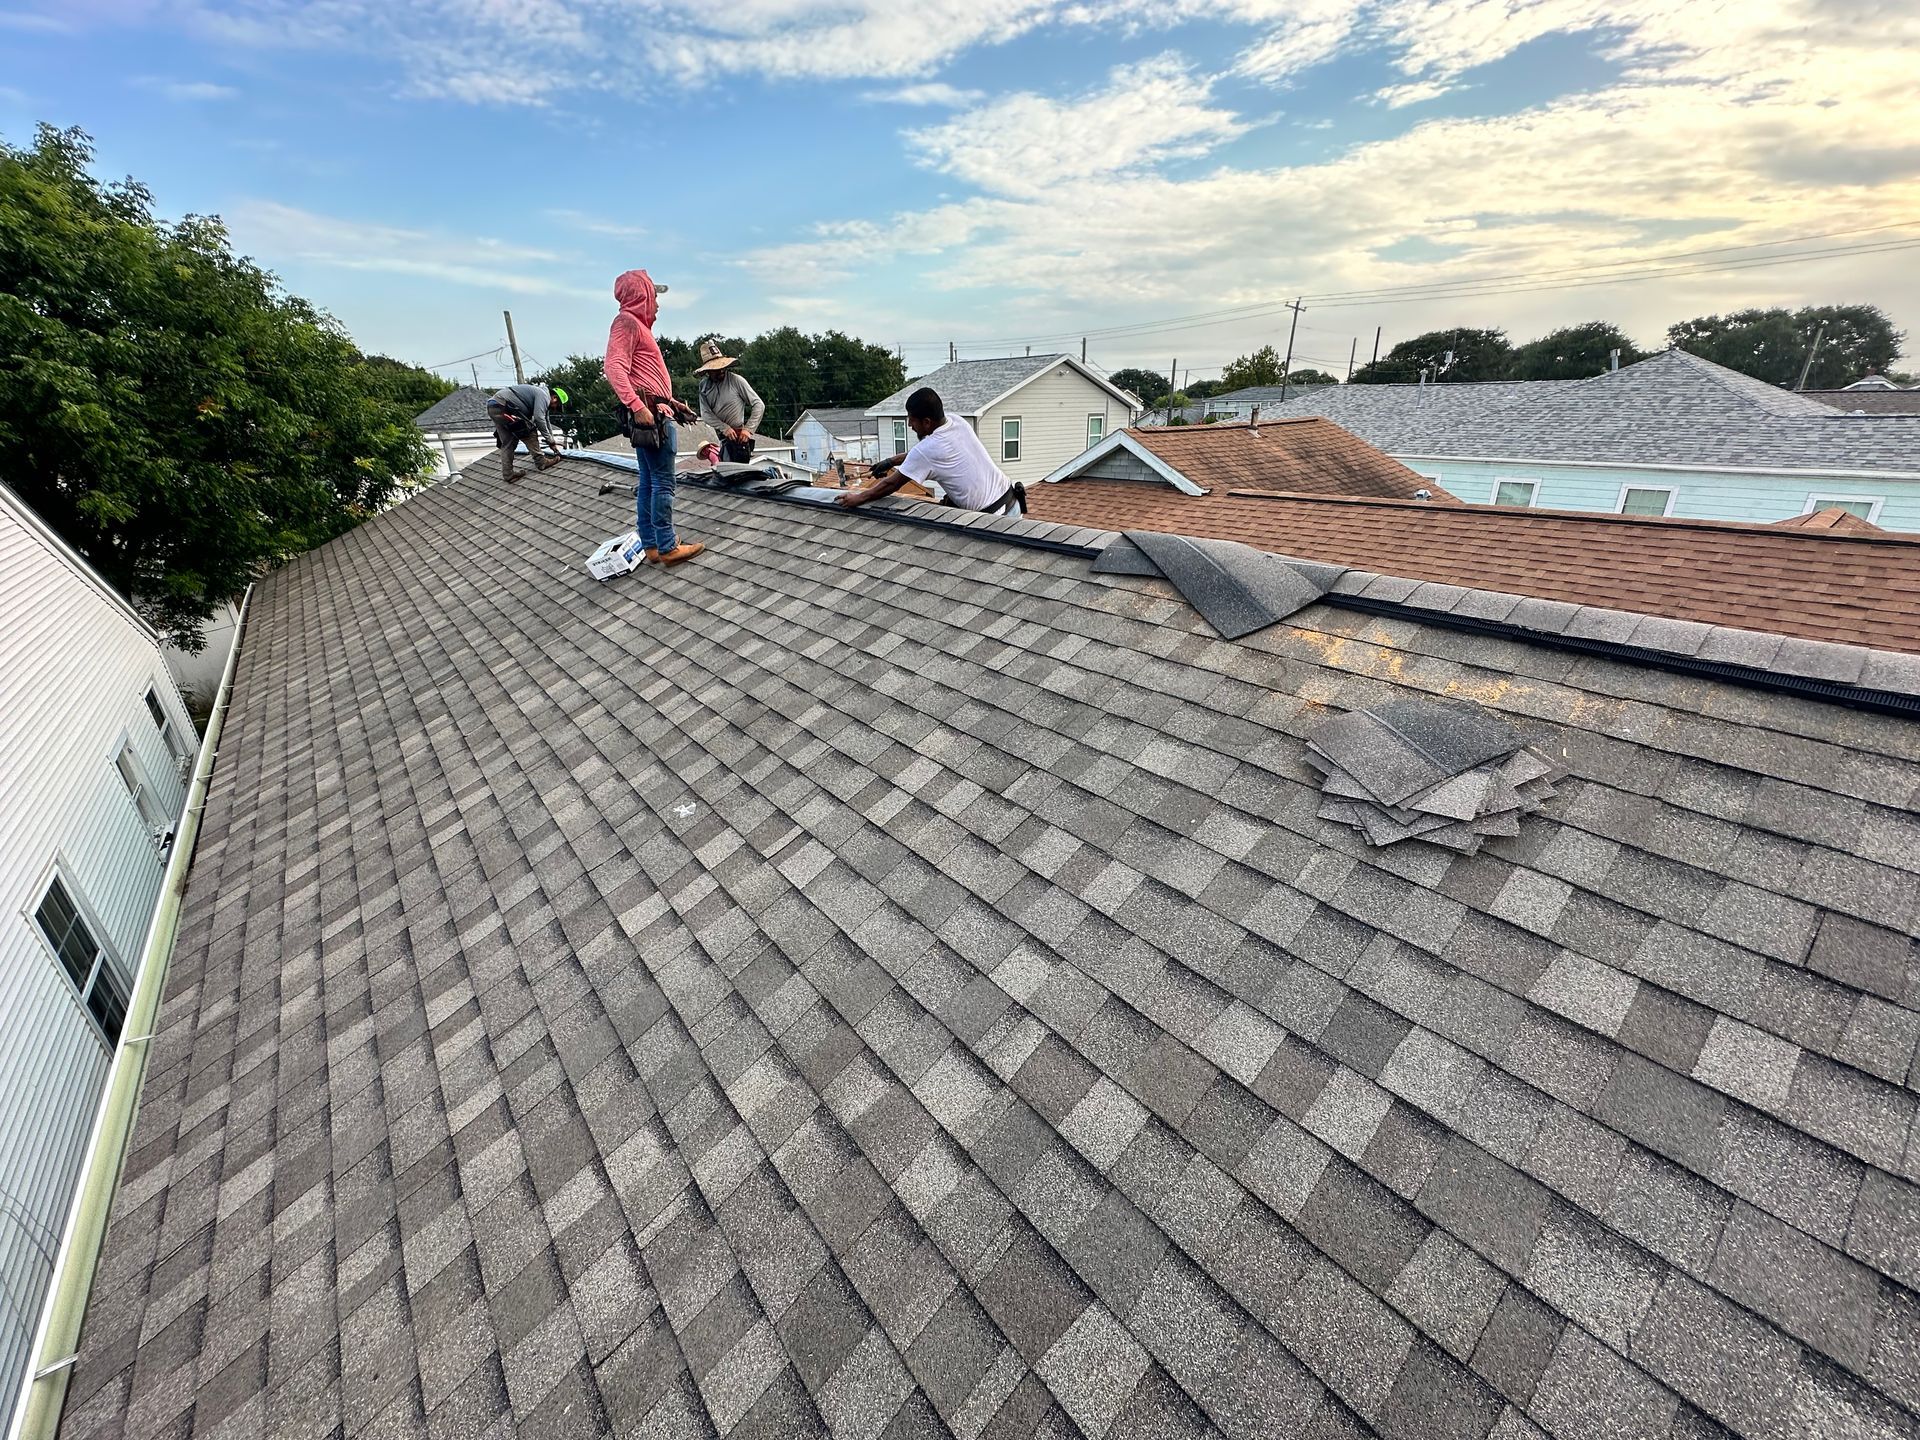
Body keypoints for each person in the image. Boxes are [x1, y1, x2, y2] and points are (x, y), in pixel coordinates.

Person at [604, 269, 701, 566]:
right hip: (652, 418)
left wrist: (675, 403)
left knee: (648, 481)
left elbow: (646, 381)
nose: (657, 304)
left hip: (656, 411)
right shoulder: (627, 323)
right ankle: (669, 545)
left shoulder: (636, 326)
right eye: (654, 296)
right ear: (642, 295)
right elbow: (614, 367)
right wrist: (637, 406)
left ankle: (653, 545)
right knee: (663, 483)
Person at [836, 387, 1025, 516]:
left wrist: (857, 498)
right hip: (1012, 502)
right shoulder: (956, 421)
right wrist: (891, 461)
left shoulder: (927, 450)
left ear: (927, 422)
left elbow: (891, 484)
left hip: (995, 520)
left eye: (912, 420)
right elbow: (927, 455)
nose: (909, 425)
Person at [694, 339, 765, 463]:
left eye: (722, 367)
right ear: (708, 371)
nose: (721, 370)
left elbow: (759, 404)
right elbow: (706, 414)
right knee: (725, 470)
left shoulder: (736, 381)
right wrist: (724, 428)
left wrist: (748, 429)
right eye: (716, 369)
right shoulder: (704, 386)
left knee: (739, 473)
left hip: (739, 437)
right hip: (723, 437)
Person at [487, 383, 563, 482]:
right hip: (504, 406)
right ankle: (541, 462)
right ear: (555, 398)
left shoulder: (542, 396)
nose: (554, 409)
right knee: (529, 431)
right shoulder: (544, 396)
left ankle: (508, 474)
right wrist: (549, 440)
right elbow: (539, 419)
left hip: (493, 406)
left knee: (508, 442)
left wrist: (551, 441)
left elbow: (546, 421)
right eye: (556, 406)